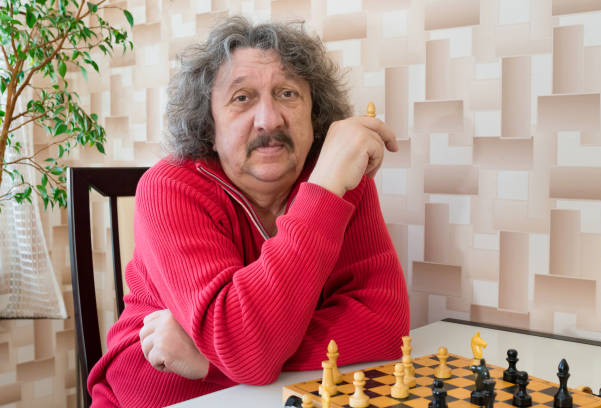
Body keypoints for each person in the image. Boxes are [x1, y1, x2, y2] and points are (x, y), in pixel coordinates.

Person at [88, 16, 410, 407]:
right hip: (163, 391)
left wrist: (215, 357)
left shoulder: (342, 179)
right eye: (242, 98)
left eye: (288, 94)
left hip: (282, 393)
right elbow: (248, 350)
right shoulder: (168, 187)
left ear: (315, 113)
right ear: (210, 123)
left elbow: (385, 326)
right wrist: (324, 188)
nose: (269, 119)